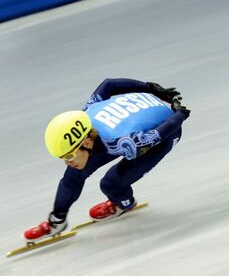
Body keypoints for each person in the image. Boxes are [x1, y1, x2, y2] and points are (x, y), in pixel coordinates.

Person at [23, 78, 190, 242]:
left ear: (87, 142)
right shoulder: (86, 114)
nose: (67, 162)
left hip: (165, 133)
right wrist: (151, 87)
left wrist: (180, 113)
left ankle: (124, 204)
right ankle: (56, 222)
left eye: (69, 156)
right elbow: (109, 84)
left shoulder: (126, 143)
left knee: (111, 183)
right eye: (63, 157)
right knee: (73, 175)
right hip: (126, 125)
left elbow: (158, 134)